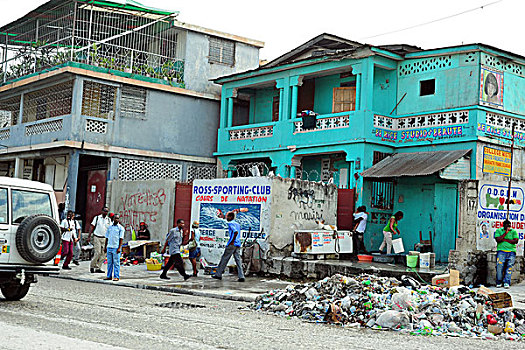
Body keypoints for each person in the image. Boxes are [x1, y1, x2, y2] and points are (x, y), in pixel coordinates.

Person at [212, 212, 245, 282]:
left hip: (232, 244)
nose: (226, 218)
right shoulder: (237, 224)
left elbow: (235, 232)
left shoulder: (230, 223)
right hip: (238, 244)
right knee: (238, 260)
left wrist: (232, 241)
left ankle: (218, 274)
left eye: (227, 216)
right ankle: (241, 276)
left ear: (230, 217)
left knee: (224, 259)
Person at [494, 219, 519, 288]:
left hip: (511, 252)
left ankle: (506, 282)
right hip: (501, 251)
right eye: (506, 226)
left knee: (509, 267)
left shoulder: (513, 231)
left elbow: (515, 241)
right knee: (499, 266)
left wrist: (504, 239)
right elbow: (498, 240)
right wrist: (505, 233)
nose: (508, 227)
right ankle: (499, 282)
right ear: (503, 226)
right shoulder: (499, 231)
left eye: (509, 226)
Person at [87, 207, 111, 273]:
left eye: (107, 211)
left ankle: (98, 267)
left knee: (103, 254)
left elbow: (110, 230)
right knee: (97, 252)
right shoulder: (97, 218)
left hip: (104, 238)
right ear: (102, 211)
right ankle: (92, 266)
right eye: (105, 211)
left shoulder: (108, 220)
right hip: (97, 237)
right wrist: (89, 236)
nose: (106, 212)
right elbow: (92, 226)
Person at [104, 214, 125, 281]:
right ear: (113, 219)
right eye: (115, 218)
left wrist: (119, 248)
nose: (116, 219)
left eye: (117, 218)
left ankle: (116, 276)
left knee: (116, 263)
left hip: (116, 247)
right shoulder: (110, 227)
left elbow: (121, 238)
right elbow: (107, 237)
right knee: (109, 263)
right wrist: (105, 246)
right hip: (109, 247)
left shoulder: (121, 228)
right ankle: (109, 276)